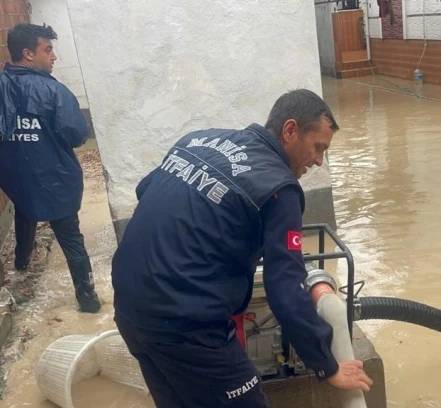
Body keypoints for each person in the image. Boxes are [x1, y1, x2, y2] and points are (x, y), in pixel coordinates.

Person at [111, 89, 373, 407]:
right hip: (189, 327)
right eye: (318, 148)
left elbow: (145, 194)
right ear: (290, 130)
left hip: (130, 308)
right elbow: (285, 288)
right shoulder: (280, 188)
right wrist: (326, 365)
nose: (319, 161)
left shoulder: (197, 140)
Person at [0, 23, 101, 313]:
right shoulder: (53, 91)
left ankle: (21, 262)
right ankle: (87, 297)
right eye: (49, 49)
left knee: (25, 210)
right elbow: (77, 134)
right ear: (28, 54)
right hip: (54, 181)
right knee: (71, 239)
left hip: (15, 180)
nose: (54, 56)